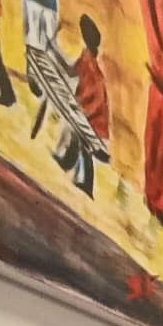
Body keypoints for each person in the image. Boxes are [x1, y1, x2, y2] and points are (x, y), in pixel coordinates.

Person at [52, 15, 111, 198]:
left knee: (83, 143)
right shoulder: (86, 58)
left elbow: (97, 100)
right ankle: (68, 162)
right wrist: (55, 50)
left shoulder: (94, 70)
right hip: (86, 116)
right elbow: (71, 71)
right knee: (77, 137)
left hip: (95, 122)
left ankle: (85, 182)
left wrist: (83, 112)